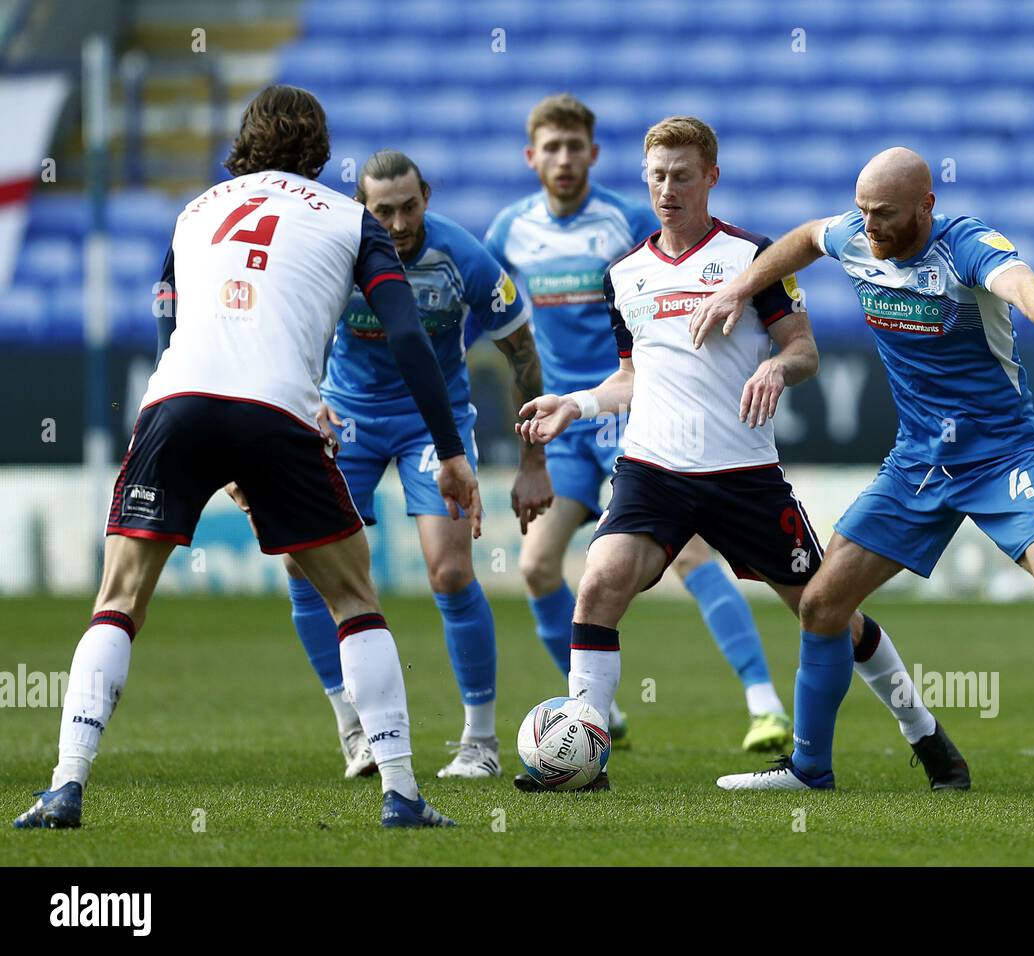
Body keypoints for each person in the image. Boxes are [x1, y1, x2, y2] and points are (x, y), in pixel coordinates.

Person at [15, 86, 474, 829]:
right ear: (321, 152)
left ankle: (65, 787)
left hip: (176, 404)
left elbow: (167, 321)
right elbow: (410, 337)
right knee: (354, 599)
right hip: (277, 412)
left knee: (118, 599)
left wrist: (203, 439)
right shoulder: (353, 219)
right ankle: (401, 794)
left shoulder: (195, 212)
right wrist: (449, 450)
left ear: (244, 142)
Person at [693, 147, 1034, 795]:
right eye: (862, 212)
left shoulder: (965, 244)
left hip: (1000, 456)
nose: (870, 227)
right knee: (823, 606)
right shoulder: (855, 237)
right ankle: (810, 771)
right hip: (919, 461)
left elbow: (1014, 279)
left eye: (885, 215)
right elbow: (802, 238)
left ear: (925, 206)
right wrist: (738, 286)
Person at [515, 119, 968, 793]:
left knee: (829, 612)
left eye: (683, 175)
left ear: (711, 178)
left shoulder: (755, 259)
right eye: (658, 175)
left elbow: (805, 351)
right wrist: (575, 404)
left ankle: (924, 734)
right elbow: (635, 376)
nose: (668, 189)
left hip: (743, 477)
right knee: (600, 582)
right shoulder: (624, 275)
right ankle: (586, 754)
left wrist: (778, 369)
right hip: (653, 471)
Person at [482, 95, 794, 753]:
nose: (564, 159)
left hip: (641, 414)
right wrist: (533, 452)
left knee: (688, 551)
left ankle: (763, 701)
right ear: (530, 156)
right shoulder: (508, 231)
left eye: (576, 147)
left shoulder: (630, 222)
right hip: (574, 416)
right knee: (539, 567)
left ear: (593, 155)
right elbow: (505, 331)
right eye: (551, 146)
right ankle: (595, 716)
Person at [246, 149, 551, 782]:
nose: (399, 222)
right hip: (346, 418)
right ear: (362, 207)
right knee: (303, 567)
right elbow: (285, 334)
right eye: (383, 210)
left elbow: (522, 353)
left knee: (447, 572)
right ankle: (352, 729)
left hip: (429, 423)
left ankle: (480, 739)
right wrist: (302, 409)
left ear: (427, 197)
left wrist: (532, 462)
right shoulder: (333, 251)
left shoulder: (463, 257)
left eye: (409, 206)